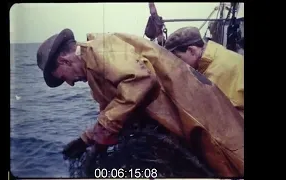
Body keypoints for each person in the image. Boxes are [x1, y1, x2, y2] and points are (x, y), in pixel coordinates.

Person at [36, 28, 244, 177]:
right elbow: (116, 109)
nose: (70, 84)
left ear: (64, 60)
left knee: (234, 163)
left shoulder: (102, 48)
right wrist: (87, 139)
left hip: (202, 121)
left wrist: (102, 130)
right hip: (184, 127)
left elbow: (140, 80)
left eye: (63, 78)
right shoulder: (95, 72)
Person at [165, 26, 244, 117]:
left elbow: (222, 115)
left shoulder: (220, 70)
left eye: (178, 58)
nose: (177, 65)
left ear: (192, 50)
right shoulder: (211, 57)